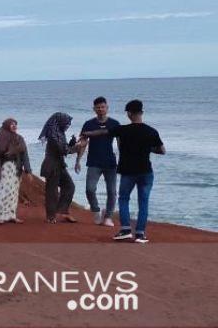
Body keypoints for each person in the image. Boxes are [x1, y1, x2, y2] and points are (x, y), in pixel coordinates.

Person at [83, 99, 165, 243]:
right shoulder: (151, 131)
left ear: (128, 114)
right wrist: (148, 148)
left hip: (128, 172)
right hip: (146, 171)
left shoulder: (123, 130)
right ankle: (140, 234)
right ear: (142, 112)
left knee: (124, 199)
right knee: (143, 202)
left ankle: (126, 229)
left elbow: (103, 132)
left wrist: (87, 133)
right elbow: (162, 150)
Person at [75, 96, 120, 227]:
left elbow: (120, 142)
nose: (101, 109)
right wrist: (78, 160)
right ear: (94, 109)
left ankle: (108, 218)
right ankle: (96, 210)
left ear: (107, 108)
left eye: (103, 107)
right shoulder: (88, 124)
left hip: (110, 162)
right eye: (98, 107)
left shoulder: (115, 124)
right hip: (94, 162)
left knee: (112, 191)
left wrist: (123, 160)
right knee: (89, 189)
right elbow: (83, 143)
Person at [0, 118, 32, 224]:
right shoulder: (1, 139)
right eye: (12, 124)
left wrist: (28, 171)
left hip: (16, 170)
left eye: (15, 124)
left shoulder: (19, 139)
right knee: (3, 192)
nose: (14, 126)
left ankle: (11, 215)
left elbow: (24, 155)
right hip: (5, 169)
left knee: (13, 194)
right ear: (7, 126)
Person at [38, 112, 77, 224]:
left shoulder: (60, 133)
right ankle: (50, 216)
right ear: (60, 122)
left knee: (69, 186)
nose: (68, 125)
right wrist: (76, 148)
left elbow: (64, 148)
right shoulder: (54, 135)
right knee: (52, 191)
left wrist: (71, 143)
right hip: (52, 165)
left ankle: (62, 211)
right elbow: (63, 150)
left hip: (59, 164)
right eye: (67, 123)